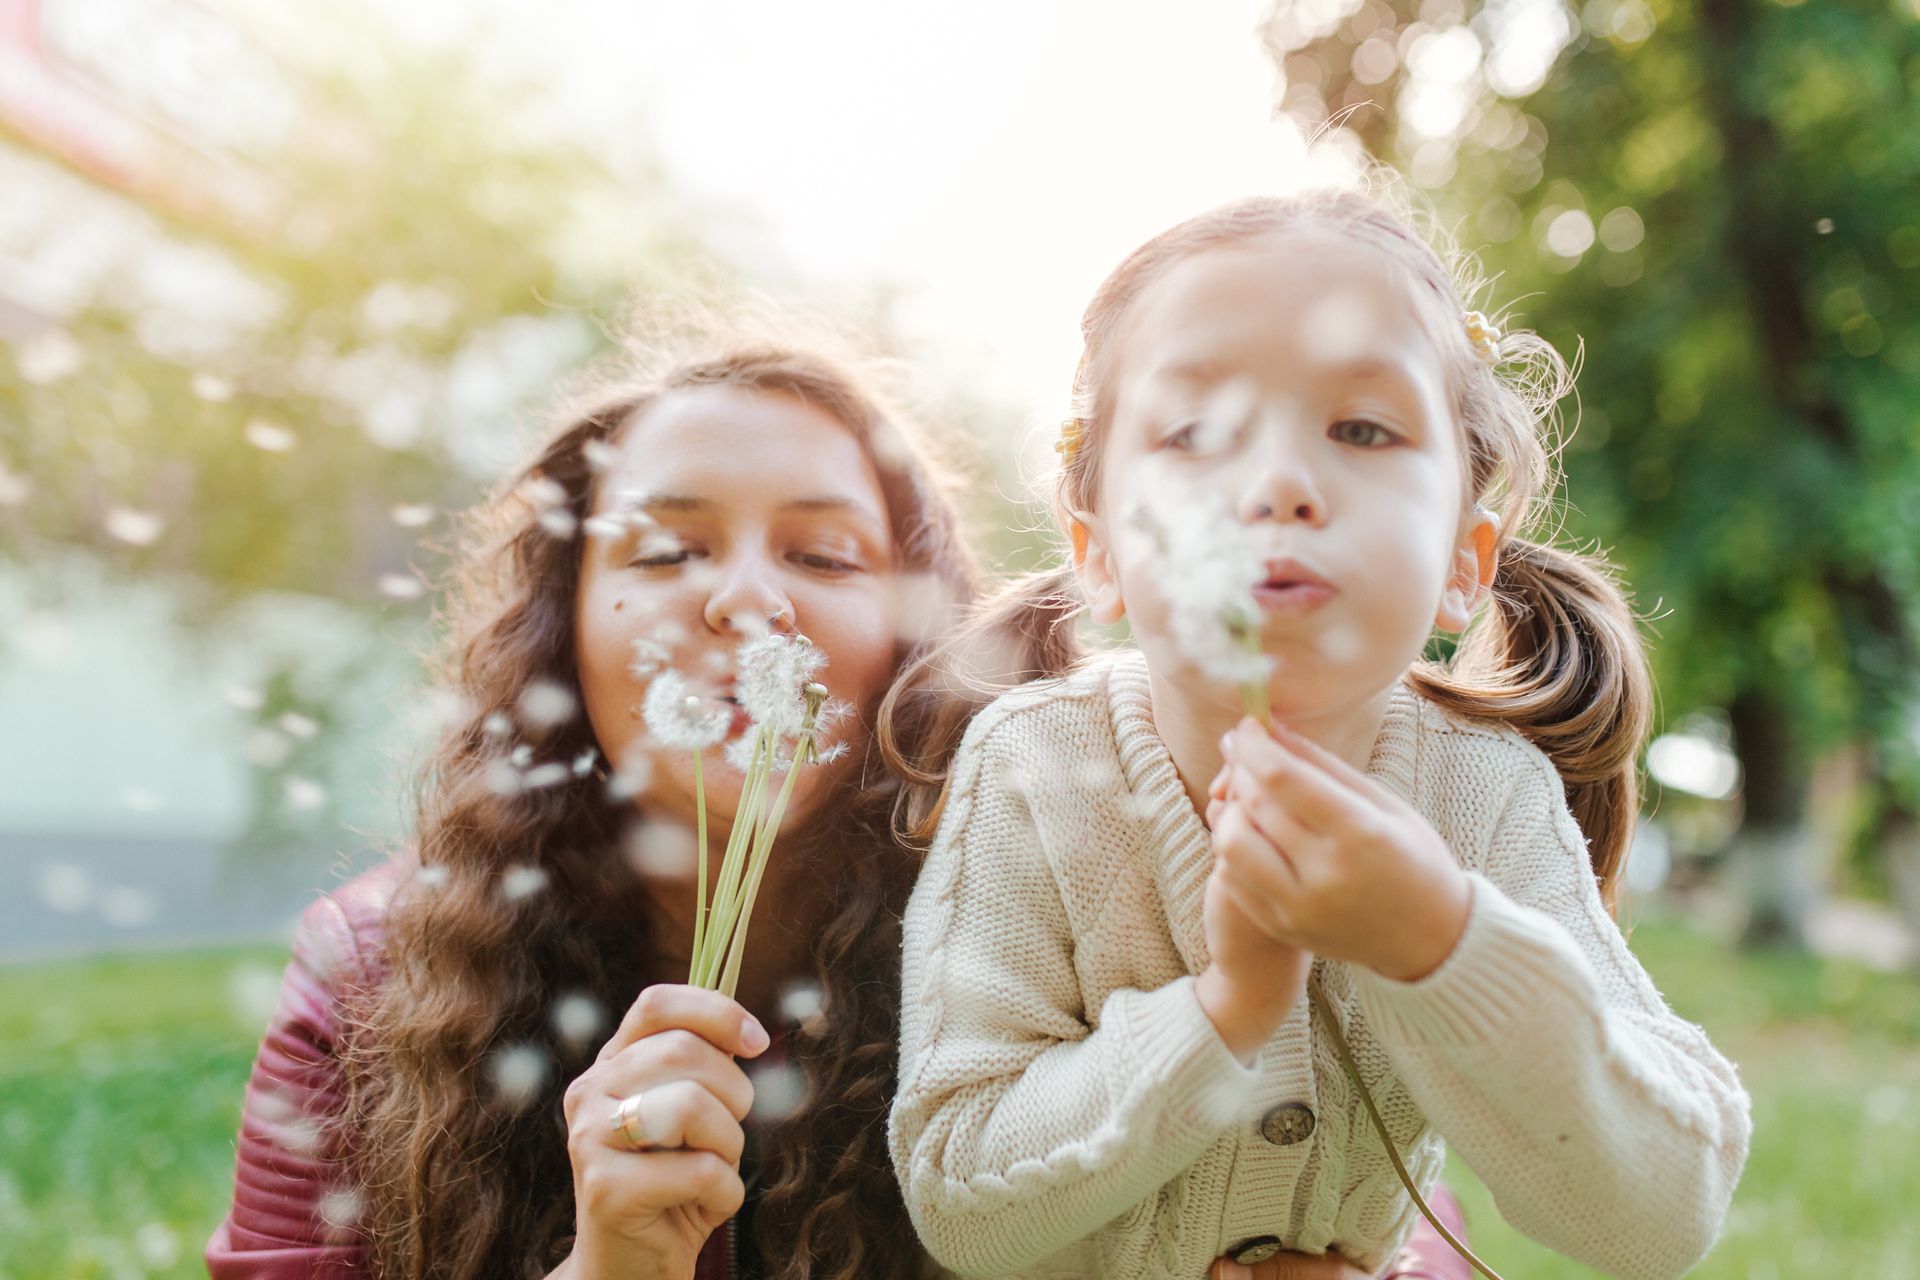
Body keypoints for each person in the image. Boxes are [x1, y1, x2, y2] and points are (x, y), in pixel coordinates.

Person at [206, 329, 1472, 1280]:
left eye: (822, 555)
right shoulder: (372, 978)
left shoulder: (1096, 915)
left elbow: (1391, 1206)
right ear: (560, 632)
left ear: (919, 649)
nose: (747, 601)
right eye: (663, 550)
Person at [885, 187, 1753, 1280]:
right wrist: (1227, 1010)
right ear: (1096, 552)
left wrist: (1436, 941)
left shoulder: (1482, 795)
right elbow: (959, 1190)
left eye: (1361, 428)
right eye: (1197, 431)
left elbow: (1661, 1216)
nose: (1282, 482)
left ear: (1463, 559)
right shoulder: (1033, 769)